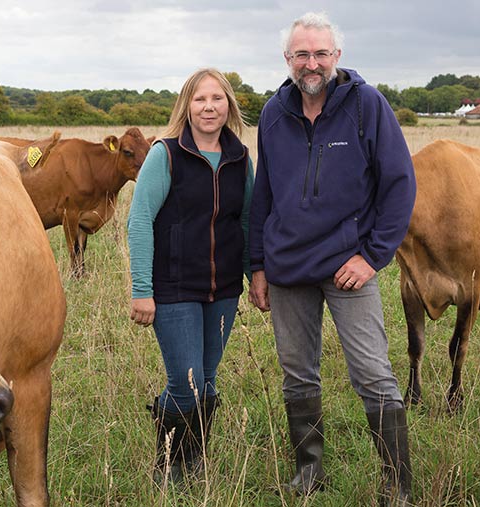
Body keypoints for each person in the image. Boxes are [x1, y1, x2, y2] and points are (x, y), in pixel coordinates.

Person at [248, 12, 416, 506]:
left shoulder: (367, 106)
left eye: (321, 53)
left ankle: (396, 484)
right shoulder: (273, 114)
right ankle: (308, 471)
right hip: (287, 269)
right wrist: (257, 265)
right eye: (302, 54)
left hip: (349, 268)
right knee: (297, 371)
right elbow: (263, 198)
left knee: (372, 372)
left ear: (337, 57)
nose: (312, 62)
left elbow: (399, 186)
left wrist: (372, 257)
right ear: (288, 60)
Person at [127, 68, 254, 487]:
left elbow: (249, 219)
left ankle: (195, 459)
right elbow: (140, 220)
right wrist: (142, 290)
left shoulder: (239, 158)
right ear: (187, 105)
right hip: (174, 287)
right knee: (186, 383)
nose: (209, 107)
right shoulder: (165, 154)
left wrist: (257, 273)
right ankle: (168, 467)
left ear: (229, 106)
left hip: (224, 290)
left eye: (217, 99)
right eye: (200, 99)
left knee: (208, 381)